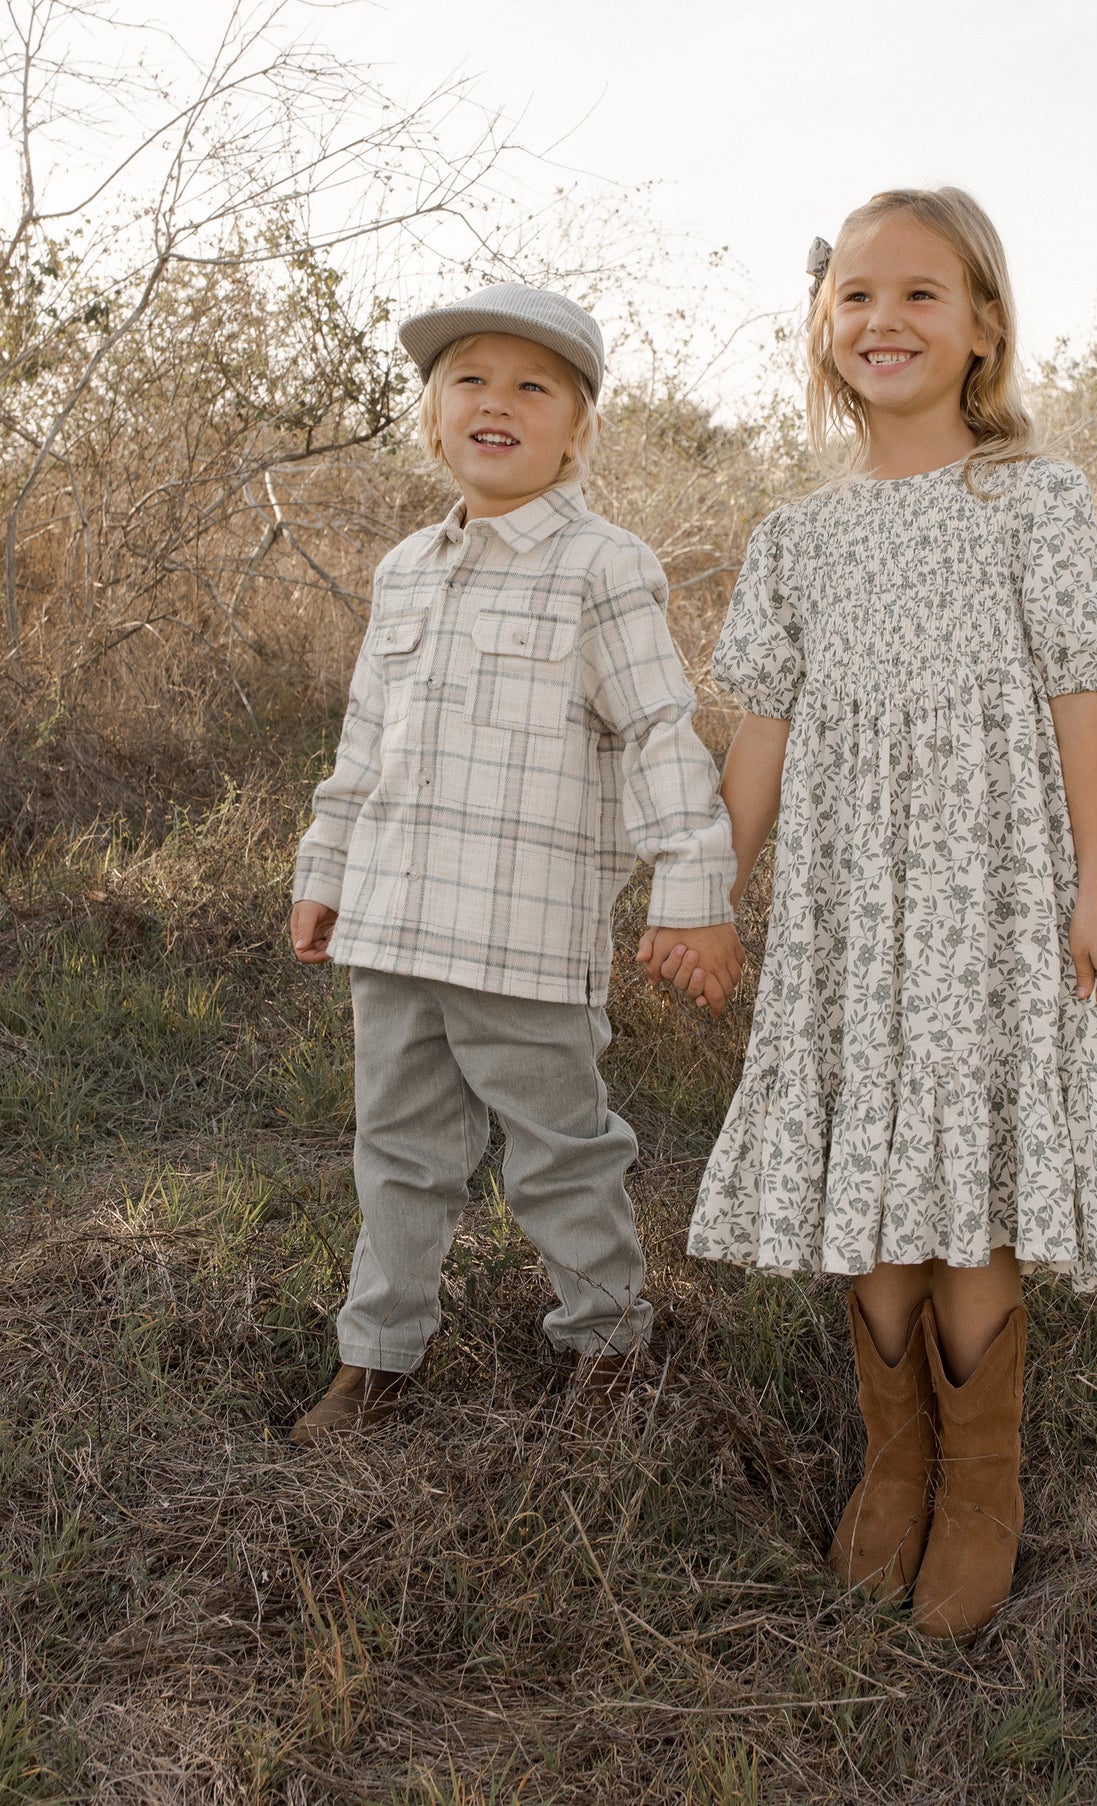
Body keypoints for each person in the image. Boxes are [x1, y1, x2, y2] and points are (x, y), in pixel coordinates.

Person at [643, 188, 1097, 1638]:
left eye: (917, 295)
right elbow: (758, 735)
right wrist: (707, 892)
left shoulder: (1031, 500)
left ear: (981, 329)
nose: (881, 319)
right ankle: (893, 1460)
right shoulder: (796, 536)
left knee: (968, 1165)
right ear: (823, 331)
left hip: (995, 887)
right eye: (853, 296)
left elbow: (1081, 702)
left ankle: (982, 1482)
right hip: (850, 902)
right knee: (875, 1166)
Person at [288, 282, 743, 1446]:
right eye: (468, 381)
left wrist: (692, 894)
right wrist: (325, 866)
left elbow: (656, 732)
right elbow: (361, 744)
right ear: (433, 415)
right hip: (392, 924)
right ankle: (376, 1357)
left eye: (532, 386)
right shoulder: (405, 571)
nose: (496, 402)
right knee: (396, 1148)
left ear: (575, 429)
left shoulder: (600, 565)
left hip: (521, 935)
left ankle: (604, 1346)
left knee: (560, 1154)